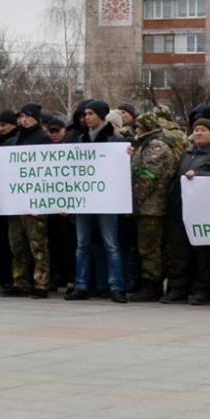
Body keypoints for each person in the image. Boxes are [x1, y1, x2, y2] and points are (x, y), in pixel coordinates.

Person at [69, 99, 127, 301]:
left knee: (111, 244)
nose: (87, 117)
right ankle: (81, 285)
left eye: (91, 114)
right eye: (85, 114)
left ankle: (116, 286)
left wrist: (128, 154)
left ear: (102, 116)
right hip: (84, 200)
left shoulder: (116, 141)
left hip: (107, 200)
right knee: (82, 244)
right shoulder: (81, 140)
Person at [175, 115, 210, 305]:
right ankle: (188, 286)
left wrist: (199, 175)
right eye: (196, 129)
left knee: (205, 254)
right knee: (185, 251)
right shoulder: (188, 152)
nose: (198, 133)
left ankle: (205, 289)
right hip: (188, 210)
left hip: (207, 211)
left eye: (203, 130)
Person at [129, 111, 185, 301]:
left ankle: (152, 285)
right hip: (146, 205)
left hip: (152, 207)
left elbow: (148, 177)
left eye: (138, 127)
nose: (135, 130)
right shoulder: (145, 145)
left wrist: (133, 200)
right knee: (146, 246)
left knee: (149, 248)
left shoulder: (156, 147)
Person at [1, 103, 55, 298]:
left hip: (35, 201)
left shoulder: (44, 139)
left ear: (36, 118)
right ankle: (20, 280)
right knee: (17, 244)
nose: (23, 120)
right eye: (21, 116)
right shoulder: (15, 140)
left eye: (27, 116)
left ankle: (41, 282)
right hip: (17, 201)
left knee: (37, 244)